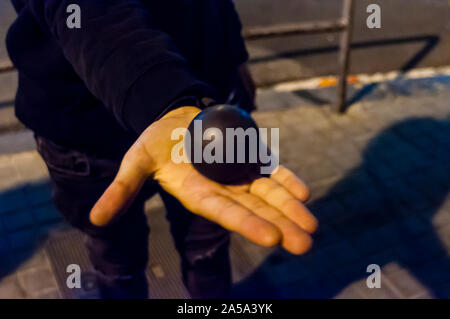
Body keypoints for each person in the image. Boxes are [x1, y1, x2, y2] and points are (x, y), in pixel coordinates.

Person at [6, 0, 318, 299]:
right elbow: (87, 7)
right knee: (118, 263)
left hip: (203, 97)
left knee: (206, 253)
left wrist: (233, 53)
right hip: (88, 132)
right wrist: (166, 100)